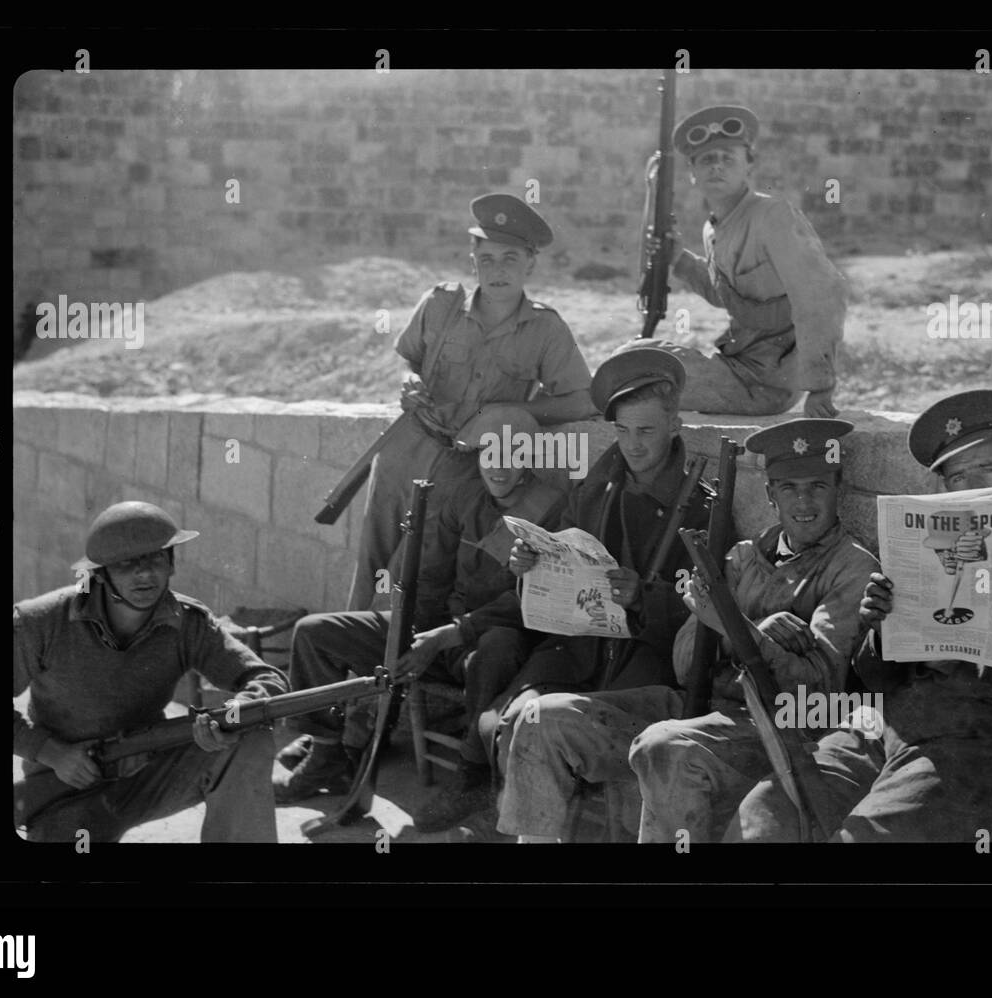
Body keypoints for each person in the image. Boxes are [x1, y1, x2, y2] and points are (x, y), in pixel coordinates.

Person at [732, 390, 992, 842]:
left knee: (861, 839)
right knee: (766, 812)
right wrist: (881, 628)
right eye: (956, 479)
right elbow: (875, 679)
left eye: (986, 470)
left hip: (977, 751)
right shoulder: (927, 545)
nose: (971, 490)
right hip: (880, 730)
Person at [499, 419, 876, 843]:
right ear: (770, 496)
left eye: (817, 487)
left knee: (664, 747)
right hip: (699, 706)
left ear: (837, 490)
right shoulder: (742, 557)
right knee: (543, 717)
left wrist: (738, 631)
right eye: (789, 488)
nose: (803, 501)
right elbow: (683, 664)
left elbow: (817, 690)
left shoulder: (853, 567)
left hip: (775, 731)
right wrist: (746, 632)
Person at [276, 406, 567, 810]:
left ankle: (472, 778)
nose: (497, 470)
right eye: (489, 455)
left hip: (485, 645)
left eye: (510, 457)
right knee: (314, 632)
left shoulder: (553, 509)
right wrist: (408, 635)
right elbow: (431, 577)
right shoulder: (467, 498)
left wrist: (451, 633)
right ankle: (327, 755)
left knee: (498, 646)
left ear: (528, 460)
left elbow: (529, 602)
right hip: (437, 635)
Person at [487, 341, 711, 842]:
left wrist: (642, 599)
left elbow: (705, 615)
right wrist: (528, 565)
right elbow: (557, 550)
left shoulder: (699, 507)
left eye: (647, 431)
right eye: (623, 431)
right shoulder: (597, 485)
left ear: (675, 425)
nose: (633, 446)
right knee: (508, 721)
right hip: (580, 650)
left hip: (644, 665)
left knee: (561, 730)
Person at [347, 193, 596, 611]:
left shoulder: (546, 329)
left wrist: (510, 414)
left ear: (530, 264)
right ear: (473, 260)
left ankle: (386, 654)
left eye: (510, 259)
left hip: (467, 465)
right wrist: (408, 381)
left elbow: (582, 401)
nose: (497, 270)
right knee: (371, 554)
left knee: (414, 567)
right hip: (406, 448)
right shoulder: (440, 303)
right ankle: (346, 636)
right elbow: (409, 357)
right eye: (488, 259)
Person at [12, 501, 285, 843]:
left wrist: (230, 717)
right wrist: (50, 752)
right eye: (127, 564)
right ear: (100, 573)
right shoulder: (42, 622)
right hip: (68, 784)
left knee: (248, 738)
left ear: (171, 564)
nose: (145, 574)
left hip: (152, 770)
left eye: (156, 558)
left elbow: (267, 680)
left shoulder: (188, 622)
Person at [649, 104, 847, 418]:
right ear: (692, 173)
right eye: (707, 160)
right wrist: (681, 261)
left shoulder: (772, 216)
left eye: (728, 158)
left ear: (748, 167)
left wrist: (820, 386)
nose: (717, 167)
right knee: (641, 360)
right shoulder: (713, 228)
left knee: (638, 373)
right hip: (738, 366)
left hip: (769, 383)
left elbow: (823, 294)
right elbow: (730, 297)